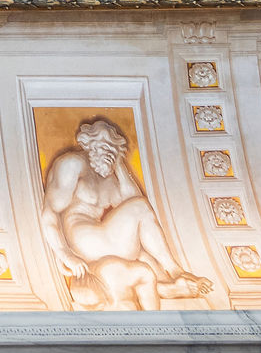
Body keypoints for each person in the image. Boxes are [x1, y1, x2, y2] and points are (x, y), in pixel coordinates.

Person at [40, 116, 211, 310]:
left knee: (145, 258)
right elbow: (50, 212)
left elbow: (135, 204)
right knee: (139, 209)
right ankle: (175, 270)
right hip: (84, 239)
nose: (109, 154)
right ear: (89, 145)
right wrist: (64, 254)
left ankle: (166, 286)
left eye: (113, 150)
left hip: (102, 242)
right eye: (105, 148)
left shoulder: (110, 179)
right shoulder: (72, 163)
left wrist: (120, 165)